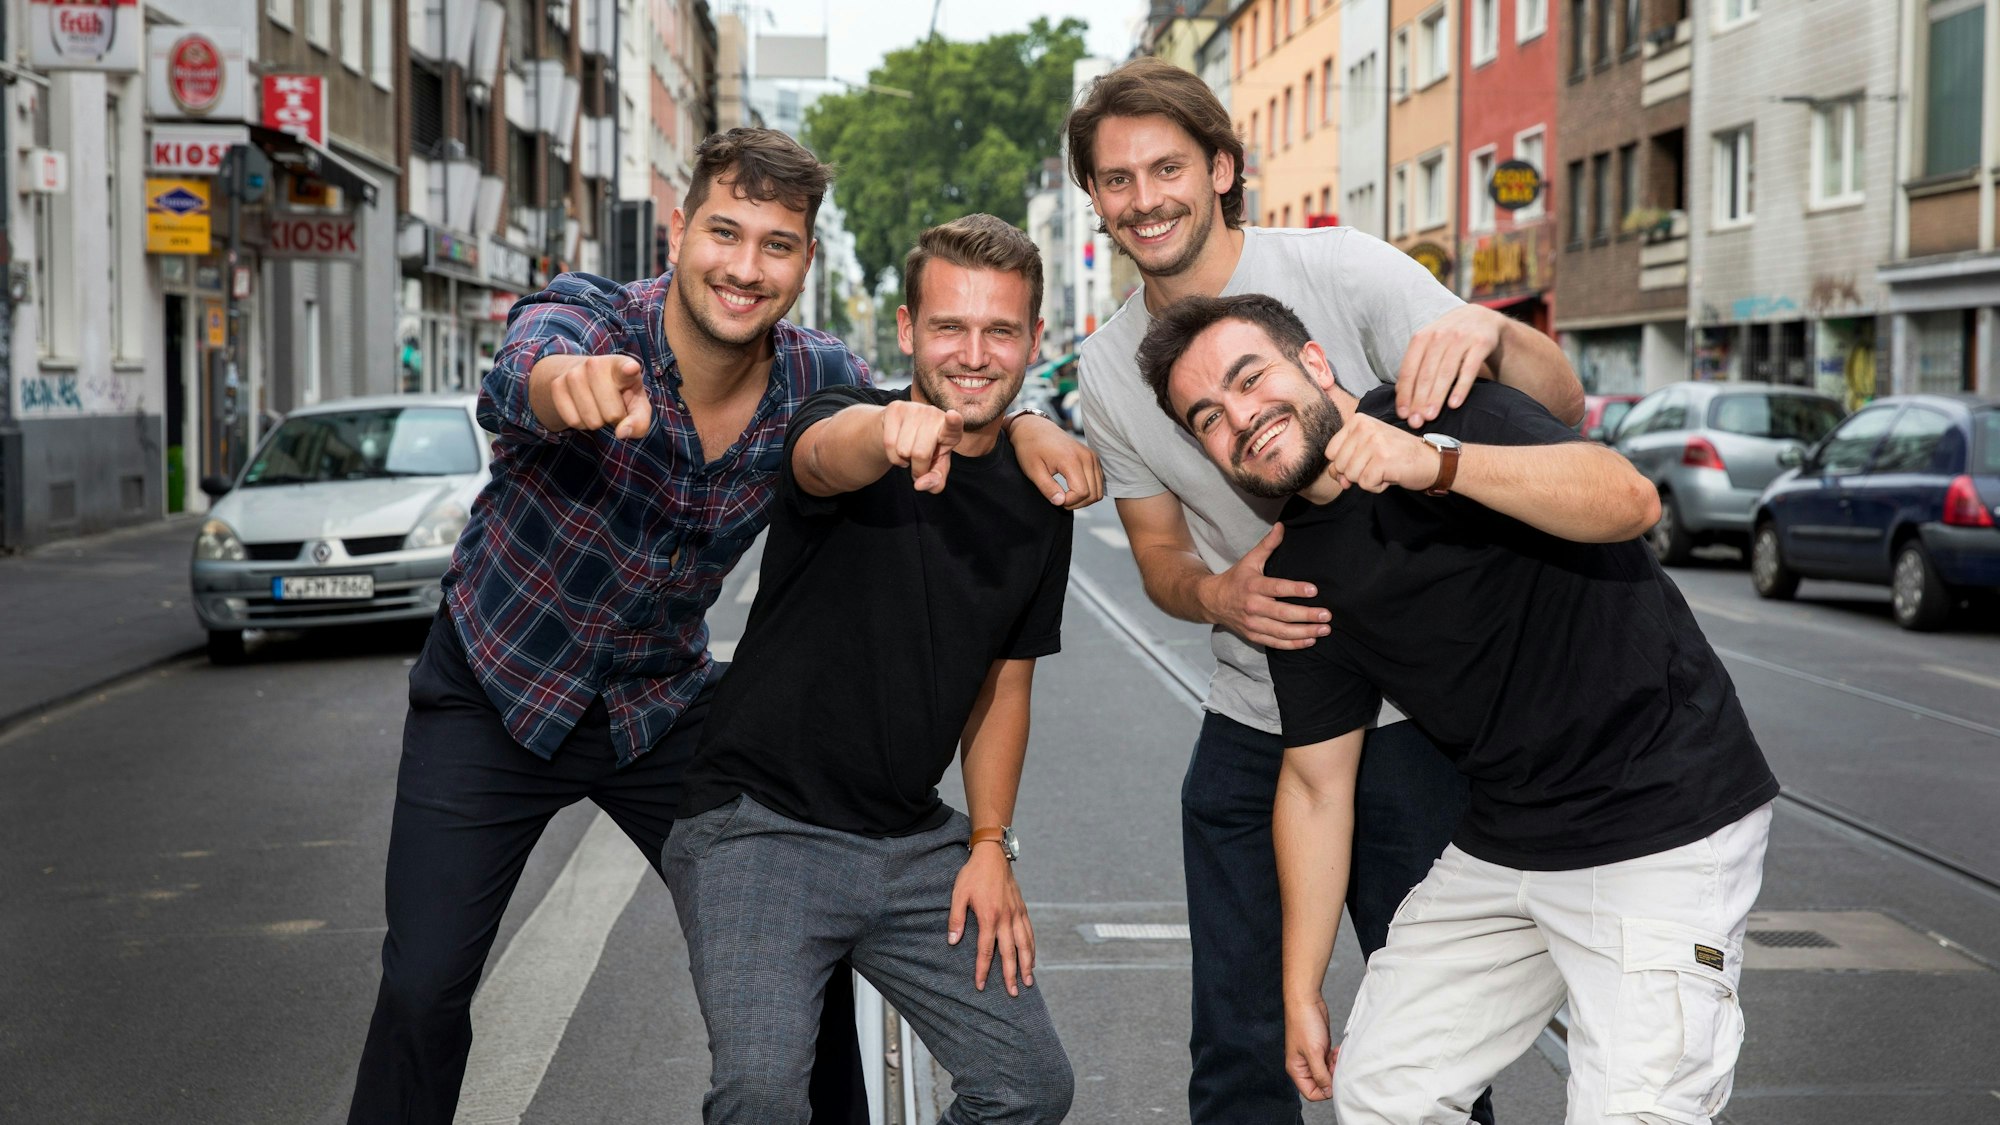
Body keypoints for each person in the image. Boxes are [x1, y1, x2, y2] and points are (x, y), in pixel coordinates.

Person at [345, 130, 1101, 1124]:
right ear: (681, 229)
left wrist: (1033, 425)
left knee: (805, 950)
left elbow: (897, 409)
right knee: (425, 984)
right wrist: (556, 388)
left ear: (803, 263)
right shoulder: (592, 321)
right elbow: (522, 366)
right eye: (725, 232)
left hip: (658, 713)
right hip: (496, 695)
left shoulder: (809, 369)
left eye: (776, 245)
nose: (745, 267)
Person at [1064, 57, 1585, 1124]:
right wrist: (1215, 598)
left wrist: (1490, 328)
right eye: (1114, 180)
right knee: (1237, 1044)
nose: (1142, 198)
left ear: (1221, 168)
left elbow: (1556, 402)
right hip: (1253, 717)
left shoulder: (1344, 271)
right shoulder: (1108, 371)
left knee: (1430, 1046)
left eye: (1165, 167)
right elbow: (1160, 560)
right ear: (1094, 202)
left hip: (1405, 724)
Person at [1140, 292, 1779, 1125]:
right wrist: (1299, 988)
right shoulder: (1300, 566)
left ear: (1315, 363)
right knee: (1382, 1088)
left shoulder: (1439, 408)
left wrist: (1436, 461)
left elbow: (1628, 500)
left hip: (1663, 818)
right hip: (1511, 838)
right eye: (1210, 418)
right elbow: (1315, 785)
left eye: (1250, 378)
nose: (1243, 418)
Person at [664, 214, 1075, 1124]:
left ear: (1035, 339)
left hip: (908, 845)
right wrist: (889, 432)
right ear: (904, 331)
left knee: (1030, 1087)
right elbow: (822, 456)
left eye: (1000, 330)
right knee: (763, 1094)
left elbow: (1006, 681)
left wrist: (988, 846)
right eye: (948, 327)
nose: (974, 353)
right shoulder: (840, 420)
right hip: (759, 827)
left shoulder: (1040, 499)